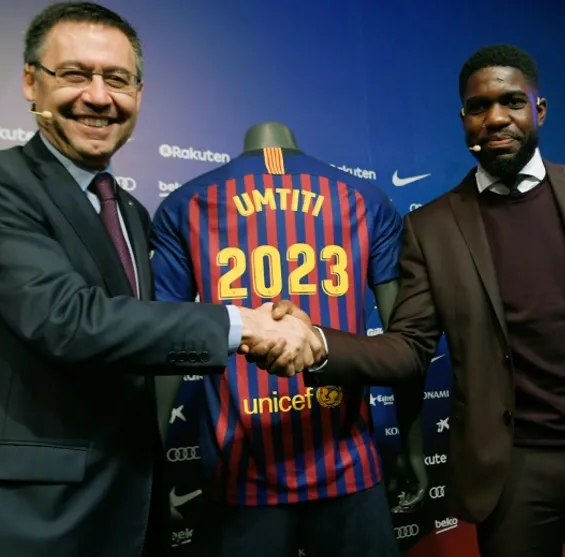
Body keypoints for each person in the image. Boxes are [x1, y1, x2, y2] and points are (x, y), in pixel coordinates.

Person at [251, 44, 565, 557]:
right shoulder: (430, 227)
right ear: (464, 119)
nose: (495, 118)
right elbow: (408, 348)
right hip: (512, 475)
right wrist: (319, 343)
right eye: (479, 107)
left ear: (539, 110)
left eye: (512, 101)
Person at [0, 3, 316, 557]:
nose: (99, 97)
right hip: (33, 518)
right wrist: (247, 325)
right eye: (75, 74)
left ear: (138, 95)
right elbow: (68, 320)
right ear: (31, 81)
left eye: (117, 80)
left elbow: (134, 337)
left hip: (129, 504)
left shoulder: (130, 212)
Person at [149, 121, 419, 556]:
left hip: (254, 469)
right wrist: (414, 447)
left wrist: (151, 469)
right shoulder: (363, 197)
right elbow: (404, 339)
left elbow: (162, 343)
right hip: (328, 466)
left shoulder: (189, 202)